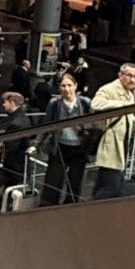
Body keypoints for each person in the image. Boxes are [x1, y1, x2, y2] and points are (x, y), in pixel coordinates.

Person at [90, 63, 135, 199]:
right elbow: (96, 104)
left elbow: (127, 115)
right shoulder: (109, 89)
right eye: (129, 75)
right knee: (112, 187)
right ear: (120, 75)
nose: (132, 80)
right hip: (111, 145)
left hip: (122, 146)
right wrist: (120, 105)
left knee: (107, 183)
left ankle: (93, 207)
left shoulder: (129, 93)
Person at [42, 70, 92, 203]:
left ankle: (71, 204)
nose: (67, 89)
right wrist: (36, 144)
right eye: (63, 86)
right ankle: (50, 205)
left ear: (75, 86)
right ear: (59, 88)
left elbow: (93, 123)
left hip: (79, 148)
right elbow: (46, 124)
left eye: (70, 85)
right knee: (54, 180)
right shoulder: (55, 103)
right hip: (59, 146)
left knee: (75, 181)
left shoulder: (85, 103)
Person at [0, 90, 34, 209]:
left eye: (5, 102)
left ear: (12, 102)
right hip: (18, 166)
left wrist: (2, 163)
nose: (3, 105)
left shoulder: (15, 123)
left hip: (12, 167)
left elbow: (11, 148)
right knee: (9, 193)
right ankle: (5, 208)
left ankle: (3, 206)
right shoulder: (23, 118)